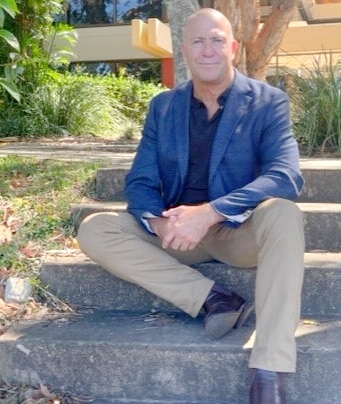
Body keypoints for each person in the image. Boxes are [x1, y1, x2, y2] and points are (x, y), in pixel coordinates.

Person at [77, 8, 305, 404]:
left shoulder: (269, 102)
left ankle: (269, 371)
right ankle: (212, 298)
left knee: (285, 215)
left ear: (233, 47)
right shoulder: (163, 107)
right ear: (184, 50)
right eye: (198, 41)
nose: (208, 49)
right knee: (96, 228)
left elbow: (284, 175)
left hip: (238, 231)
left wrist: (212, 212)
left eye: (217, 40)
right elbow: (142, 180)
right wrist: (156, 222)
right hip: (178, 231)